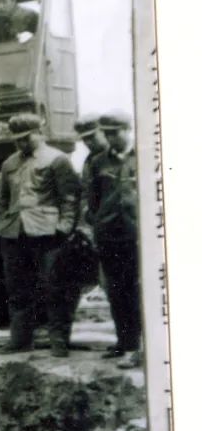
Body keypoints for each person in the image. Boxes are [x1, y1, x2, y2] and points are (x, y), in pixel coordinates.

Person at [0, 113, 81, 357]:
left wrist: (64, 227)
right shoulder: (9, 163)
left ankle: (59, 341)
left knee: (54, 287)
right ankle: (20, 340)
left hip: (48, 233)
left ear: (39, 134)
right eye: (17, 139)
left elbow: (69, 197)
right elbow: (2, 199)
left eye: (26, 138)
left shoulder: (57, 159)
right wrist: (4, 224)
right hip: (15, 234)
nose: (21, 143)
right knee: (18, 289)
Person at [86, 115, 142, 369]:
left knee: (137, 291)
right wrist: (99, 224)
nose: (110, 138)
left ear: (128, 129)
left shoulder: (144, 156)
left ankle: (137, 347)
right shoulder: (99, 162)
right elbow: (93, 200)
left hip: (138, 235)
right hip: (110, 236)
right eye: (107, 133)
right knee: (117, 292)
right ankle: (124, 341)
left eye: (115, 132)